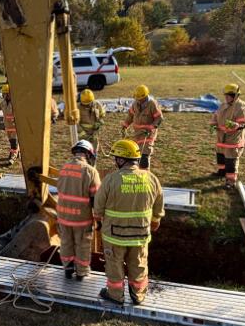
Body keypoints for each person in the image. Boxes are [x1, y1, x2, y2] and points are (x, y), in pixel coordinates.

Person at [94, 139, 165, 305]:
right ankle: (138, 295)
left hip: (114, 235)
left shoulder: (111, 180)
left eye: (115, 158)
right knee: (138, 264)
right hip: (140, 234)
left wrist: (98, 222)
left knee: (114, 265)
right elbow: (159, 206)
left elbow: (98, 209)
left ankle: (115, 295)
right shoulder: (151, 178)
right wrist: (155, 221)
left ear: (120, 160)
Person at [56, 140, 102, 280]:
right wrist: (98, 218)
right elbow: (96, 198)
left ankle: (68, 268)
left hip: (63, 216)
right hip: (81, 218)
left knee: (66, 242)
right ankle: (81, 272)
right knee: (82, 244)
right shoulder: (90, 171)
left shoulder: (64, 168)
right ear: (88, 154)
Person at [210, 83, 245, 190]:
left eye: (229, 95)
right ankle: (222, 172)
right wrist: (213, 124)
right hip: (221, 137)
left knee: (231, 160)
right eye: (226, 95)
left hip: (232, 139)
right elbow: (215, 115)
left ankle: (231, 181)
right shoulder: (223, 105)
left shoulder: (241, 107)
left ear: (235, 96)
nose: (226, 97)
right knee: (220, 156)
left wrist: (236, 125)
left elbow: (243, 124)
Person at [121, 84, 163, 169]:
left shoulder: (152, 104)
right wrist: (125, 126)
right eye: (137, 98)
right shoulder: (135, 104)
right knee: (136, 157)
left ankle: (145, 176)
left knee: (144, 157)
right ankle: (138, 174)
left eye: (140, 99)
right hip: (137, 135)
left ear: (145, 96)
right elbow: (130, 116)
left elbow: (159, 118)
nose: (138, 100)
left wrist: (152, 127)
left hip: (148, 135)